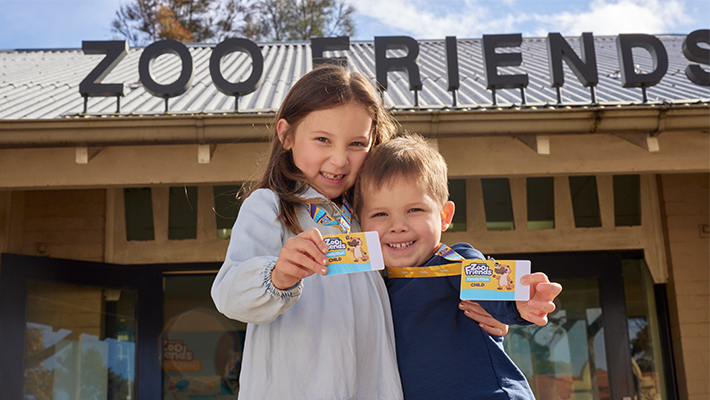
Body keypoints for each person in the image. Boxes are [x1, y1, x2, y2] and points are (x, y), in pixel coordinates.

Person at [210, 64, 404, 399]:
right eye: (322, 140)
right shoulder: (268, 206)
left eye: (357, 143)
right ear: (285, 135)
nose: (340, 160)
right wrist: (277, 276)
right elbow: (228, 294)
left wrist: (480, 318)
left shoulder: (369, 217)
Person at [356, 134, 563, 400]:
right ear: (360, 223)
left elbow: (488, 286)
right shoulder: (372, 284)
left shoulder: (453, 262)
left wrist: (518, 302)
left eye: (415, 210)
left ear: (444, 216)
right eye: (380, 214)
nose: (398, 226)